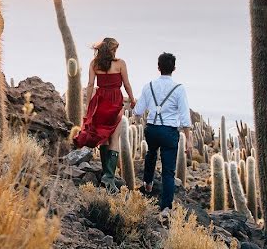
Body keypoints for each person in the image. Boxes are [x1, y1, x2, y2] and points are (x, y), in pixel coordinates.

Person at [73, 37, 136, 193]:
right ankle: (109, 176)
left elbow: (90, 84)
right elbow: (126, 84)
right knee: (114, 138)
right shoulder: (120, 63)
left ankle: (105, 175)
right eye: (115, 48)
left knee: (104, 137)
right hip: (115, 100)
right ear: (112, 49)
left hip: (100, 101)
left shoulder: (94, 64)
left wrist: (89, 105)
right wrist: (132, 99)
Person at [133, 52, 191, 212]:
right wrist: (189, 140)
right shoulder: (179, 89)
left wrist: (137, 121)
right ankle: (166, 207)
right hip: (169, 132)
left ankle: (148, 183)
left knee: (151, 154)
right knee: (168, 170)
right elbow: (185, 117)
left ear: (158, 67)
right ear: (174, 68)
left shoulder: (148, 86)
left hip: (152, 129)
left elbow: (137, 111)